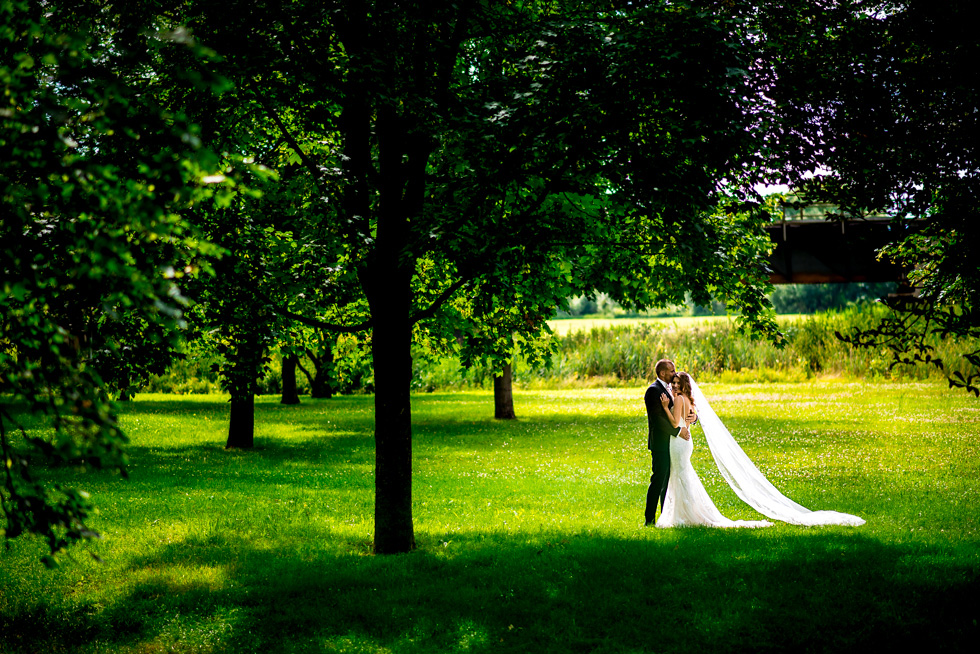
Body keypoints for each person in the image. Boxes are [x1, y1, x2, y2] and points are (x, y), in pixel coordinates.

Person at [656, 371, 772, 528]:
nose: (675, 385)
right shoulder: (688, 400)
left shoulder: (678, 400)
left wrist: (664, 407)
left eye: (678, 383)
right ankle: (686, 511)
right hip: (685, 442)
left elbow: (676, 424)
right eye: (673, 383)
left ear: (684, 385)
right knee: (682, 475)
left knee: (678, 475)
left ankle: (684, 514)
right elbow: (688, 418)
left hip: (678, 442)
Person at [643, 359, 691, 526]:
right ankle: (649, 520)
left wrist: (694, 417)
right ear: (662, 373)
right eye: (671, 371)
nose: (674, 373)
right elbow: (657, 420)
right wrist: (678, 431)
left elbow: (685, 408)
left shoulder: (673, 388)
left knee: (668, 482)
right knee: (658, 480)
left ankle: (667, 517)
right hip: (661, 444)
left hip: (674, 444)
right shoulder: (653, 391)